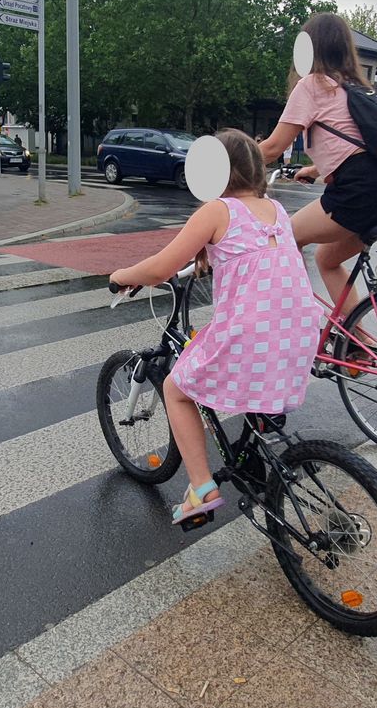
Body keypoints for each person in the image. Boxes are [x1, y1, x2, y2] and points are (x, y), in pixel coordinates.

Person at [110, 129, 320, 526]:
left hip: (250, 335)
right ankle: (255, 455)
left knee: (176, 390)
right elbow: (254, 251)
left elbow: (159, 268)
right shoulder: (276, 210)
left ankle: (201, 488)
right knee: (257, 373)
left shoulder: (216, 211)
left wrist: (122, 275)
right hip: (301, 330)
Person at [258, 11, 377, 317]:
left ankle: (296, 318)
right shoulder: (354, 88)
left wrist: (227, 165)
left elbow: (274, 147)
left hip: (360, 191)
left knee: (286, 235)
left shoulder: (314, 84)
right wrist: (315, 169)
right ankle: (357, 344)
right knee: (327, 259)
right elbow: (359, 146)